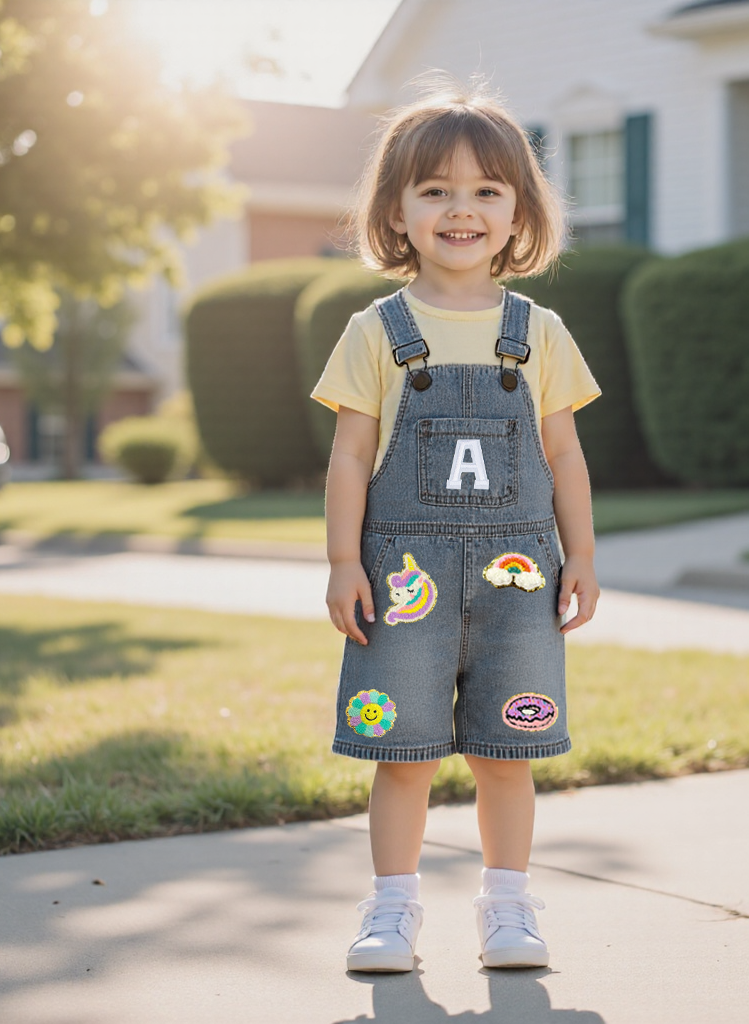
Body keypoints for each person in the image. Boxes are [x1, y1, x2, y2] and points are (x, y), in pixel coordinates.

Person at [311, 74, 600, 973]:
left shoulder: (538, 331)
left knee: (507, 754)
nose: (460, 209)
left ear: (518, 212)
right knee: (401, 753)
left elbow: (563, 457)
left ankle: (509, 908)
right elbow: (352, 457)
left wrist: (583, 554)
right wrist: (340, 564)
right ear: (397, 212)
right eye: (434, 190)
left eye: (485, 190)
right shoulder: (376, 329)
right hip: (401, 585)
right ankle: (390, 909)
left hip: (519, 584)